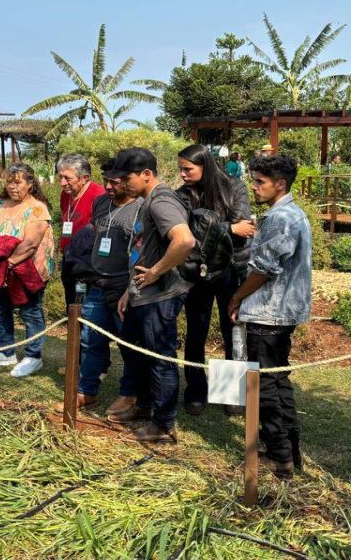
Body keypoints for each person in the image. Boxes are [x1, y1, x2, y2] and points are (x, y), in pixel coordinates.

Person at [228, 153, 312, 479]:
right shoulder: (291, 214)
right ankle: (290, 452)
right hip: (277, 312)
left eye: (260, 182)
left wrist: (237, 296)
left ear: (280, 184)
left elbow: (263, 270)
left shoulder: (280, 219)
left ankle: (279, 456)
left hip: (269, 314)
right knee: (278, 381)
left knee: (266, 386)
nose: (254, 186)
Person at [111, 148, 196, 443]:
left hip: (160, 296)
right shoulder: (147, 201)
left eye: (127, 177)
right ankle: (145, 406)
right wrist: (129, 291)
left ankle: (163, 424)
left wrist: (156, 271)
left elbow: (184, 240)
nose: (122, 183)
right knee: (137, 350)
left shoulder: (161, 201)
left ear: (147, 174)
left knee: (160, 357)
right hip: (141, 294)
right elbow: (142, 249)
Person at [176, 144, 255, 416]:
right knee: (196, 331)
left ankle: (231, 393)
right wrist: (228, 228)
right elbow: (185, 232)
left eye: (188, 169)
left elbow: (244, 227)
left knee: (232, 328)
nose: (183, 174)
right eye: (181, 169)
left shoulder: (235, 187)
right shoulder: (182, 195)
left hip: (231, 269)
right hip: (197, 269)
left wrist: (215, 229)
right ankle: (196, 390)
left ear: (205, 166)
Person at [72, 158, 143, 413]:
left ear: (128, 180)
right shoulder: (100, 202)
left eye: (115, 181)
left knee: (128, 342)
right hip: (97, 283)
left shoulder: (141, 208)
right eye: (106, 181)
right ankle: (86, 390)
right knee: (90, 339)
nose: (109, 186)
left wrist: (130, 288)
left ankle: (129, 393)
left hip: (123, 286)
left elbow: (142, 252)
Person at [0, 163, 55, 378]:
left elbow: (29, 244)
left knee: (30, 312)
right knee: (0, 310)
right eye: (9, 182)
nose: (13, 187)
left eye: (18, 182)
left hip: (27, 269)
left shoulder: (37, 208)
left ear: (30, 183)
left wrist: (7, 262)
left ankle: (33, 357)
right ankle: (5, 352)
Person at [57, 154, 106, 304]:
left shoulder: (99, 195)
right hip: (69, 258)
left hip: (88, 261)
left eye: (67, 178)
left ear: (85, 178)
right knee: (71, 303)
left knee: (86, 306)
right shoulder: (66, 195)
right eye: (60, 177)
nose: (62, 183)